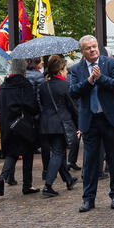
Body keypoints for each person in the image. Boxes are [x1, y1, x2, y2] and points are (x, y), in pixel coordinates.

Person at [70, 35, 114, 212]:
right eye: (88, 48)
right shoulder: (76, 69)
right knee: (90, 162)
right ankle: (88, 198)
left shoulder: (110, 64)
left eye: (95, 46)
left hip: (110, 119)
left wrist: (101, 78)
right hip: (90, 120)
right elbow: (73, 91)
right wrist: (88, 82)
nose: (93, 50)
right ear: (83, 51)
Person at [0, 58, 40, 196]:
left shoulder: (4, 85)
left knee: (11, 154)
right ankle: (27, 185)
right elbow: (31, 105)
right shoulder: (24, 84)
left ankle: (2, 176)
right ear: (23, 70)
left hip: (7, 125)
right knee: (27, 154)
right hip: (23, 125)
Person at [37, 55, 79, 198]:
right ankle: (48, 185)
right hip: (60, 123)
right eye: (65, 69)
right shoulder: (65, 86)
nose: (67, 72)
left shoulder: (43, 86)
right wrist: (79, 125)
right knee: (58, 153)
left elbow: (42, 103)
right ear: (60, 70)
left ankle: (68, 179)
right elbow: (73, 107)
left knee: (58, 151)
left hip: (46, 124)